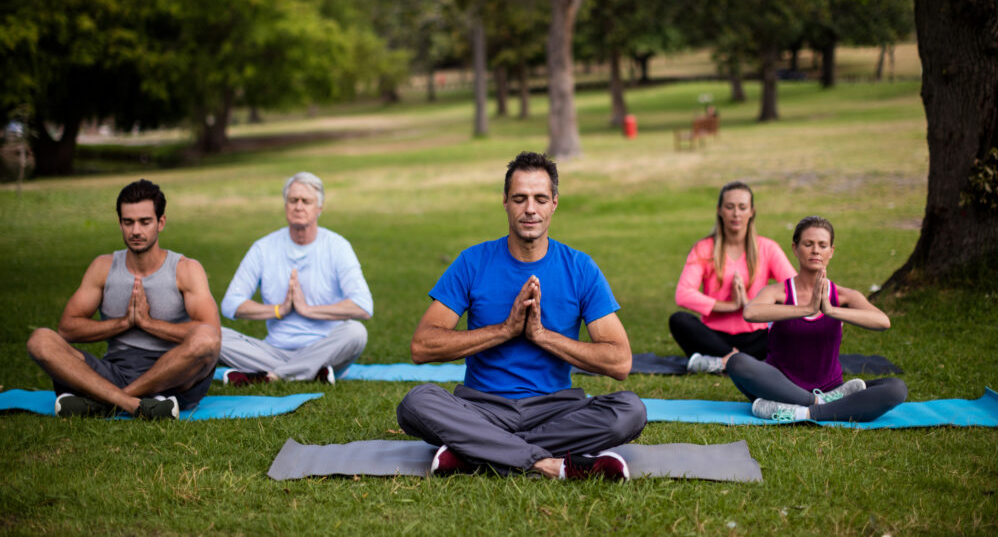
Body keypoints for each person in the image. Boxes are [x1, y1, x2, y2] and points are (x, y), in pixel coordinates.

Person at [396, 152, 647, 481]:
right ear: (505, 202)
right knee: (417, 402)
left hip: (556, 410)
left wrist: (541, 335)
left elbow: (619, 362)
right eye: (520, 198)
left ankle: (476, 454)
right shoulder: (473, 262)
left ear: (554, 203)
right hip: (482, 408)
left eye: (540, 198)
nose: (530, 209)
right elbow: (422, 347)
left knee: (630, 411)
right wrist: (505, 330)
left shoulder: (580, 268)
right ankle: (548, 465)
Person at [25, 180, 221, 419]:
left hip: (170, 375)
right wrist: (124, 322)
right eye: (128, 222)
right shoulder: (103, 267)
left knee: (206, 339)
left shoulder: (186, 269)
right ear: (120, 223)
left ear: (161, 222)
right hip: (113, 370)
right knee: (40, 340)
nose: (135, 231)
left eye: (144, 222)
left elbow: (212, 334)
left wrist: (148, 323)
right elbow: (67, 328)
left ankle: (107, 401)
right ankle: (139, 404)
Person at [725, 216, 908, 422]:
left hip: (833, 389)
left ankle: (806, 412)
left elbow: (883, 321)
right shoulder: (778, 292)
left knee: (896, 389)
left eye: (822, 245)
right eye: (808, 244)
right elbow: (751, 312)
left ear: (831, 251)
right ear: (795, 249)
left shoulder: (845, 295)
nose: (815, 250)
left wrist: (831, 311)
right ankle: (821, 405)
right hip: (779, 388)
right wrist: (806, 308)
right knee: (737, 363)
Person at [219, 172, 372, 385]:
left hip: (325, 348)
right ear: (285, 206)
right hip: (273, 350)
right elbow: (229, 305)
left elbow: (363, 306)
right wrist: (278, 310)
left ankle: (274, 376)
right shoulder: (263, 248)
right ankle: (311, 372)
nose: (298, 206)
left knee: (356, 332)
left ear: (319, 208)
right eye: (293, 200)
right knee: (212, 335)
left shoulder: (338, 247)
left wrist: (307, 310)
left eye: (306, 201)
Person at [669, 181, 795, 373]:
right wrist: (731, 305)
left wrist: (750, 304)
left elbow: (795, 290)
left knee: (792, 322)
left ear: (751, 211)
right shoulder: (704, 248)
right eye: (730, 207)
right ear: (719, 210)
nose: (736, 213)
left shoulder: (767, 248)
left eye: (742, 207)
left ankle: (722, 363)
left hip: (757, 337)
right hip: (715, 338)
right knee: (679, 320)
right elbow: (683, 294)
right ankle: (737, 360)